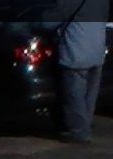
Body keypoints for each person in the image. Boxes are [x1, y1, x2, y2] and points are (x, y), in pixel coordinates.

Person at [42, 0, 110, 143]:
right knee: (89, 95)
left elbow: (52, 20)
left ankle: (79, 132)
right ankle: (85, 125)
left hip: (76, 51)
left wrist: (31, 24)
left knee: (74, 95)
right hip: (97, 49)